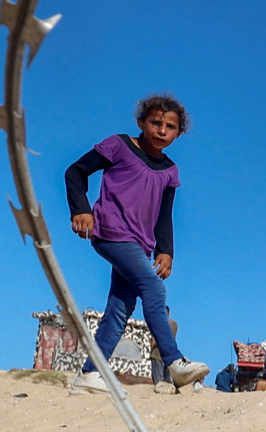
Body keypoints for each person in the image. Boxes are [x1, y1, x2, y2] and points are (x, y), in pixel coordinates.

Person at [64, 94, 209, 393]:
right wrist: (81, 208)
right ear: (142, 122)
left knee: (120, 308)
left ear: (178, 133)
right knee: (153, 287)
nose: (161, 130)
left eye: (170, 127)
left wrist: (165, 251)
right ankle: (174, 362)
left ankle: (91, 373)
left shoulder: (170, 171)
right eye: (155, 123)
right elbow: (75, 171)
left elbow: (164, 215)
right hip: (111, 232)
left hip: (141, 244)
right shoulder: (119, 145)